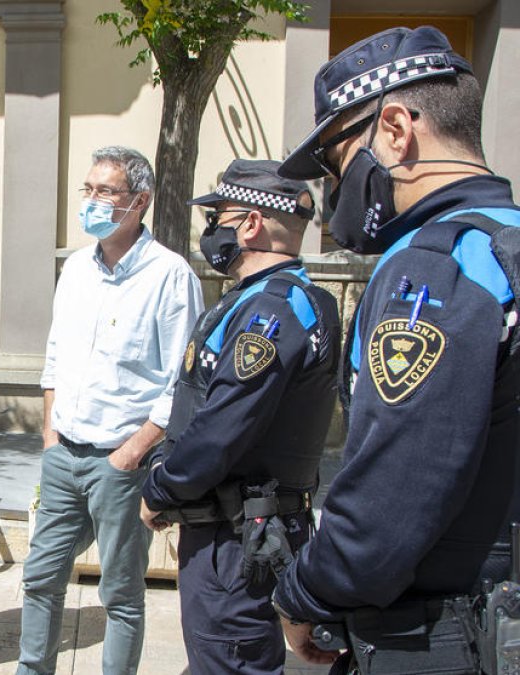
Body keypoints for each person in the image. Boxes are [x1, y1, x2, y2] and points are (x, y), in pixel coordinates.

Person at [272, 26, 520, 673]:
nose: (333, 193)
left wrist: (303, 595)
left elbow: (390, 498)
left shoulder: (439, 267)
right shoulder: (507, 247)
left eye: (335, 160)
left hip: (443, 634)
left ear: (395, 130)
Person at [137, 159, 339, 674]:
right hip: (251, 527)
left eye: (219, 217)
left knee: (227, 658)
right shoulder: (286, 299)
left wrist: (161, 488)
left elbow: (221, 428)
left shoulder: (270, 311)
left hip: (234, 540)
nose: (212, 232)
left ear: (249, 224)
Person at [17, 146, 203, 675]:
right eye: (88, 190)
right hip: (63, 456)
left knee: (120, 593)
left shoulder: (170, 277)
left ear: (139, 201)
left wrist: (132, 453)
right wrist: (50, 436)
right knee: (40, 576)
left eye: (106, 192)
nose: (92, 202)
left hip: (120, 463)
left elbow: (181, 383)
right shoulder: (76, 268)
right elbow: (54, 358)